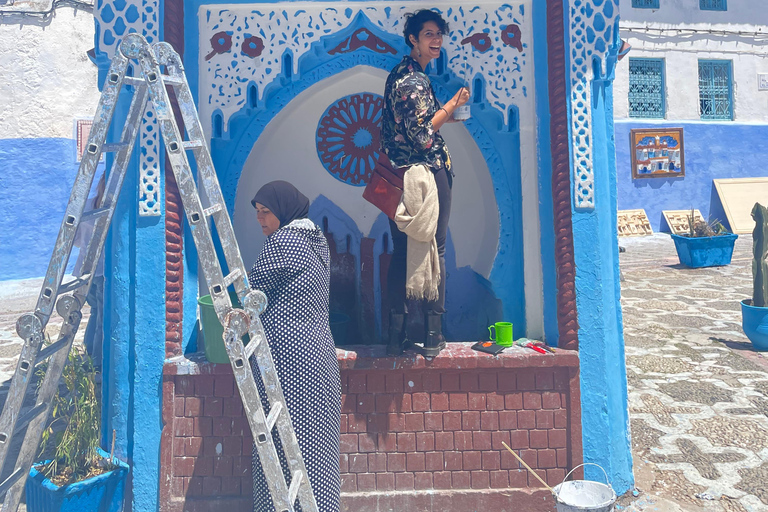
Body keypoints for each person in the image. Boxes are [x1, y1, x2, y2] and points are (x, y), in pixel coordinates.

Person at [380, 8, 470, 357]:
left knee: (401, 252)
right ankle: (433, 335)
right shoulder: (414, 81)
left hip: (399, 176)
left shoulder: (401, 75)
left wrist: (442, 115)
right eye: (429, 34)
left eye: (439, 34)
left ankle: (395, 335)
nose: (437, 40)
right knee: (437, 250)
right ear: (413, 39)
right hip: (425, 177)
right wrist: (452, 104)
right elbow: (421, 135)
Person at [248, 181, 341, 512]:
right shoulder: (315, 239)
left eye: (266, 213)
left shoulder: (283, 241)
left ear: (283, 212)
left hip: (290, 359)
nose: (260, 220)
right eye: (258, 213)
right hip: (319, 354)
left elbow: (252, 294)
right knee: (317, 443)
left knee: (285, 442)